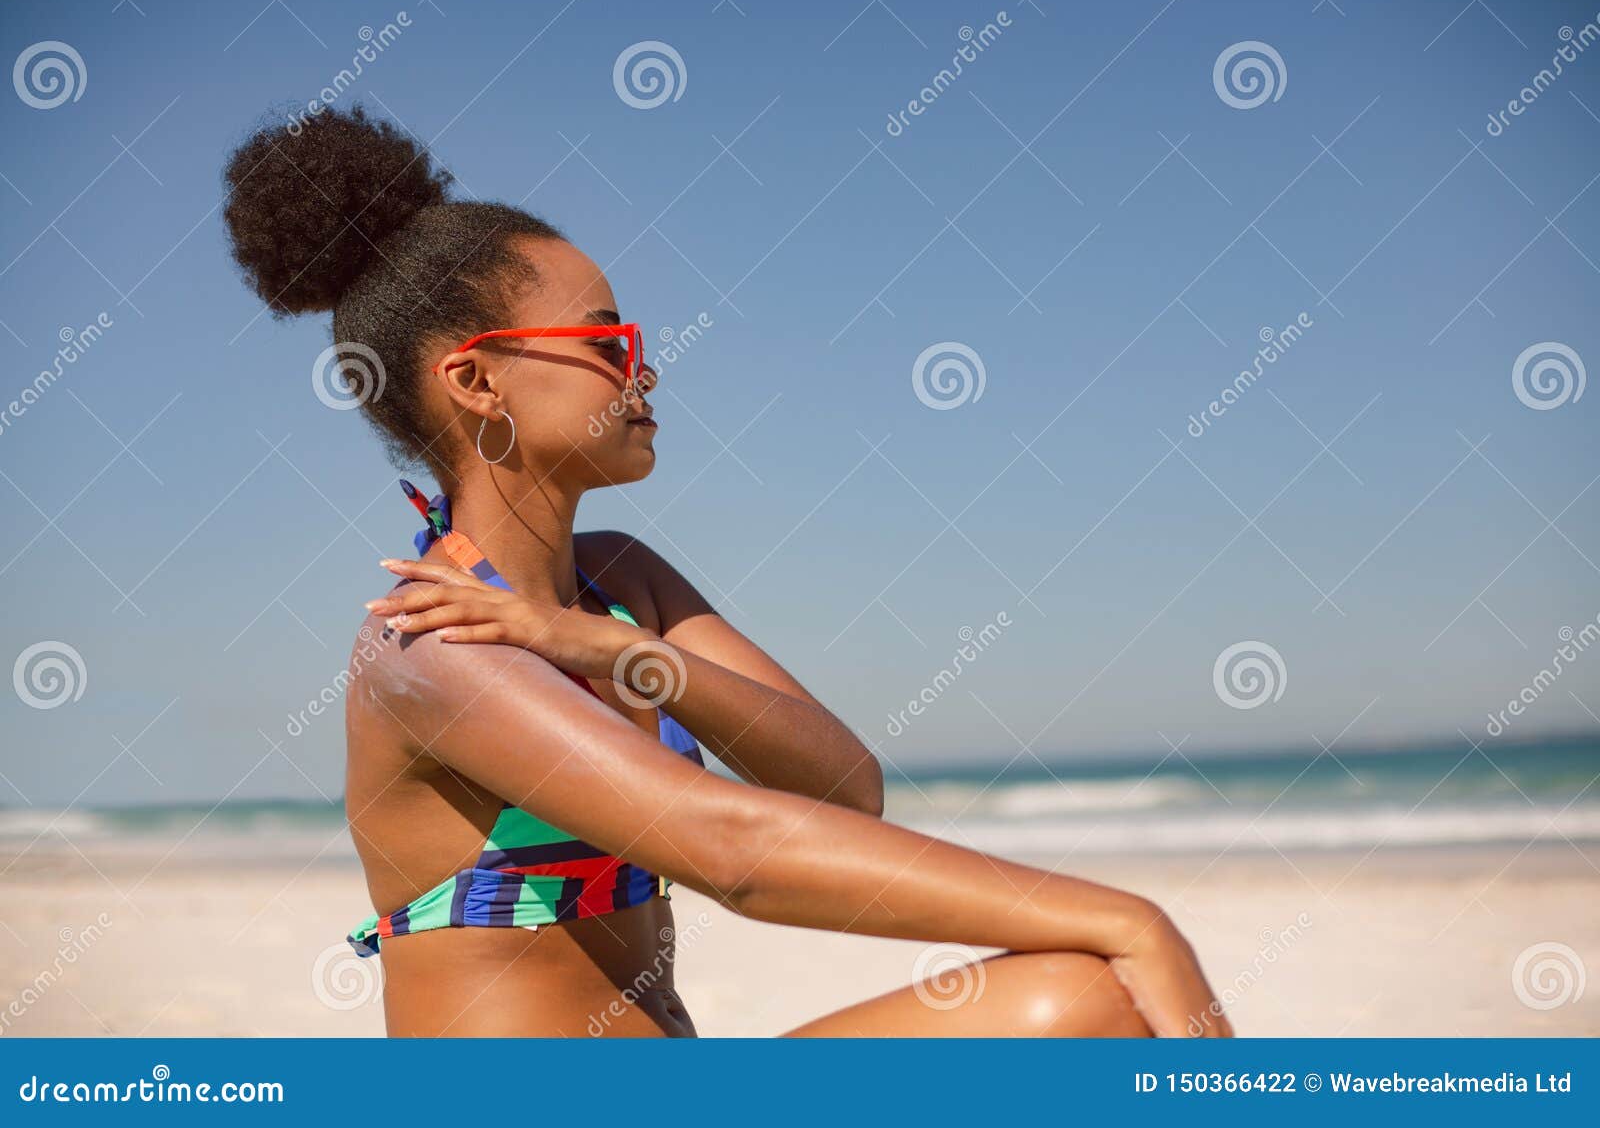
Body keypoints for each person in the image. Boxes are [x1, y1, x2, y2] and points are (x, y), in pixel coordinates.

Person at [220, 106, 1229, 1038]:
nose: (642, 371)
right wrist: (1124, 913)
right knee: (1101, 974)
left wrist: (620, 650)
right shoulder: (431, 639)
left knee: (1079, 999)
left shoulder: (620, 582)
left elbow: (841, 787)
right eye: (608, 341)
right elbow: (728, 850)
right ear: (478, 379)